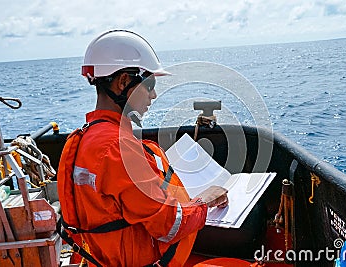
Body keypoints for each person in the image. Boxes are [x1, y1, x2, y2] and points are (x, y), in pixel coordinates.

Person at [57, 29, 228, 267]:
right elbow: (169, 226)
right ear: (124, 82)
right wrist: (205, 201)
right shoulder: (118, 148)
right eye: (150, 84)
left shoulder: (82, 140)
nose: (154, 95)